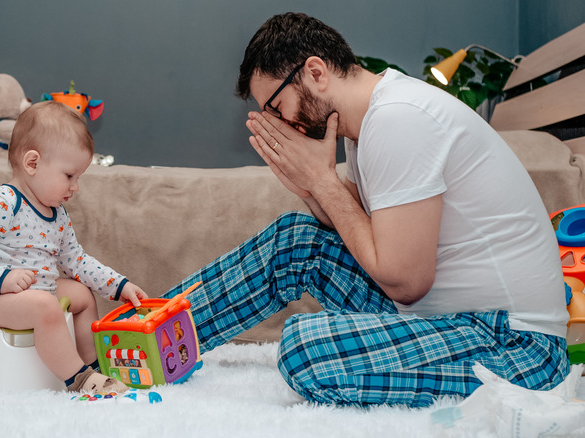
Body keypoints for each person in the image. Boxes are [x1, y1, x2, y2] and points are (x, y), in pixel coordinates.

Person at [163, 12, 570, 407]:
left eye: (277, 105)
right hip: (446, 321)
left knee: (306, 349)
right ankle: (144, 337)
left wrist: (323, 181)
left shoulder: (400, 119)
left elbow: (405, 280)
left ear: (316, 72)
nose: (280, 122)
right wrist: (311, 189)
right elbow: (361, 227)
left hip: (514, 347)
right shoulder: (368, 125)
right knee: (296, 239)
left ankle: (147, 338)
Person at [0, 101, 148, 393]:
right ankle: (77, 379)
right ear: (32, 164)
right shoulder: (4, 201)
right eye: (69, 176)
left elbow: (77, 262)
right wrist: (1, 278)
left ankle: (91, 364)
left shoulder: (57, 215)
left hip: (31, 294)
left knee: (80, 293)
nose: (75, 187)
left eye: (78, 178)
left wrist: (118, 285)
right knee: (44, 304)